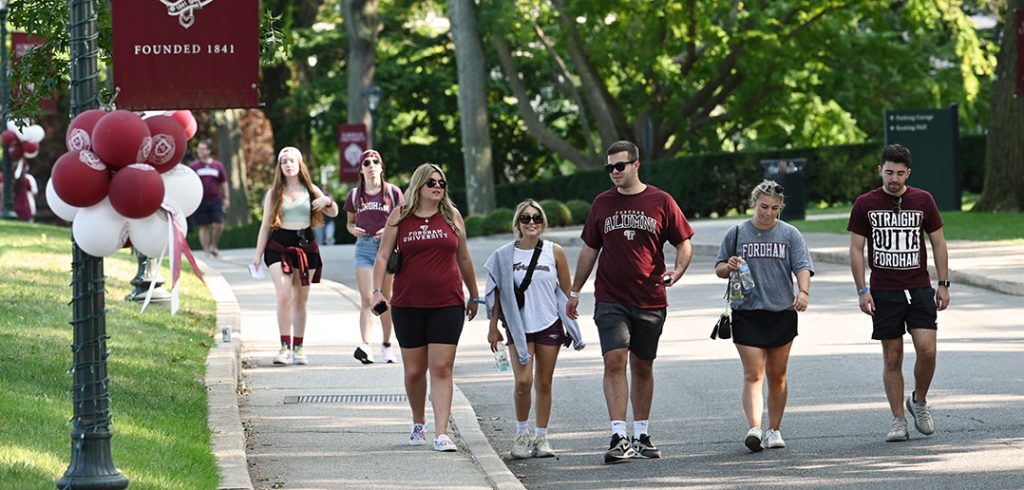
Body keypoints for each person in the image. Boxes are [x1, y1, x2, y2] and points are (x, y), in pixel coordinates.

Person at [566, 140, 694, 464]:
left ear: (636, 165)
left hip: (650, 299)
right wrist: (575, 290)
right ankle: (618, 435)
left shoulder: (661, 201)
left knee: (642, 365)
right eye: (609, 167)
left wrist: (678, 270)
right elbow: (589, 250)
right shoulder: (602, 204)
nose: (614, 173)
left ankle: (641, 434)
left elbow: (684, 242)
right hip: (611, 298)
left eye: (619, 166)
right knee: (614, 360)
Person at [370, 163, 480, 453]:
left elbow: (465, 259)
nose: (438, 186)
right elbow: (382, 257)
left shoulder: (451, 216)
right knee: (415, 371)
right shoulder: (401, 216)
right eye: (432, 182)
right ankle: (418, 422)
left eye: (442, 182)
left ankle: (442, 433)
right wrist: (377, 290)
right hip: (407, 305)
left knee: (441, 368)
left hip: (448, 303)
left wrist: (474, 294)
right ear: (418, 185)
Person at [848, 143, 949, 442]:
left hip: (918, 287)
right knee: (892, 357)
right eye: (889, 172)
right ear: (880, 170)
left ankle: (918, 401)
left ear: (908, 173)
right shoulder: (865, 203)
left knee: (927, 351)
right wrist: (862, 290)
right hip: (884, 291)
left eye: (900, 173)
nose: (894, 179)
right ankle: (898, 420)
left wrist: (943, 284)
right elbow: (856, 249)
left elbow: (939, 243)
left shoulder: (923, 200)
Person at [714, 180, 813, 452]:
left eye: (775, 208)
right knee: (753, 374)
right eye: (763, 206)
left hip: (781, 311)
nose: (768, 213)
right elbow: (720, 268)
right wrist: (729, 265)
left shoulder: (790, 234)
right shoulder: (737, 233)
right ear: (754, 203)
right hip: (746, 312)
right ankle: (755, 428)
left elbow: (803, 266)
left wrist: (803, 291)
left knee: (777, 374)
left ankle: (774, 429)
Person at [484, 200, 586, 459]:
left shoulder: (555, 252)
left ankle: (541, 438)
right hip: (518, 327)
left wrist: (570, 324)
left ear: (543, 223)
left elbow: (565, 291)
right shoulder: (504, 255)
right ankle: (521, 434)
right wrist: (493, 326)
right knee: (523, 381)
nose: (531, 223)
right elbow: (496, 292)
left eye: (537, 218)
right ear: (517, 223)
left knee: (543, 382)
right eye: (526, 218)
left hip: (548, 323)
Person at [251, 147, 339, 366]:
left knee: (301, 299)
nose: (288, 165)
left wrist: (326, 202)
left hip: (305, 245)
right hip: (278, 246)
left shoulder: (310, 189)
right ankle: (284, 347)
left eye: (292, 161)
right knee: (283, 295)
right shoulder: (274, 192)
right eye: (284, 162)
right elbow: (264, 226)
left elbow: (335, 212)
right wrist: (257, 256)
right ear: (280, 167)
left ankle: (298, 348)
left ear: (300, 164)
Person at [344, 149, 404, 365]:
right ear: (361, 169)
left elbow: (404, 219)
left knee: (384, 300)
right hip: (364, 248)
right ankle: (365, 345)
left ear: (381, 167)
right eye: (366, 163)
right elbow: (350, 222)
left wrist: (390, 230)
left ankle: (387, 345)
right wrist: (352, 230)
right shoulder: (354, 195)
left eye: (375, 162)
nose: (371, 166)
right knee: (368, 299)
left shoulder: (393, 193)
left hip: (387, 249)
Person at [190, 139, 230, 258]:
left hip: (216, 199)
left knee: (219, 223)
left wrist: (226, 198)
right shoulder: (194, 166)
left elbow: (224, 183)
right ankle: (207, 251)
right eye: (198, 149)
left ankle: (213, 245)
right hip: (201, 200)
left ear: (209, 150)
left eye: (202, 149)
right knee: (204, 226)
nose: (200, 151)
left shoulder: (217, 166)